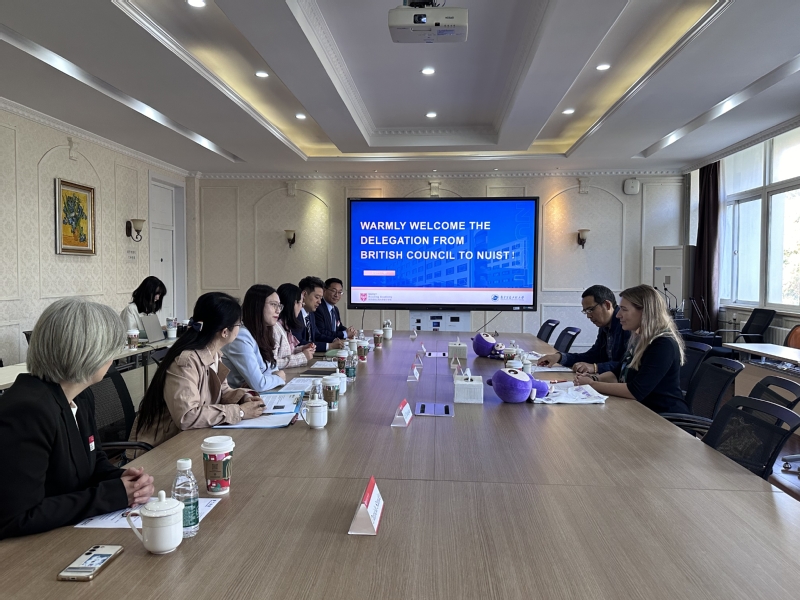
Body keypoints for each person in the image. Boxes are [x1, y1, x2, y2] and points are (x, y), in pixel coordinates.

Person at [0, 298, 154, 539]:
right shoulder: (27, 411)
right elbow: (17, 517)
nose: (113, 358)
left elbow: (92, 461)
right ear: (89, 354)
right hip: (33, 549)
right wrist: (111, 495)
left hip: (69, 534)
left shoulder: (81, 396)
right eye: (110, 350)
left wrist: (121, 479)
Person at [128, 292, 265, 456]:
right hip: (159, 449)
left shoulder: (213, 353)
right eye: (239, 324)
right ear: (224, 332)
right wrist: (240, 412)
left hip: (189, 439)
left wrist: (244, 398)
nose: (240, 328)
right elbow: (187, 416)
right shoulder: (187, 362)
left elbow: (222, 391)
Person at [575, 284, 688, 415]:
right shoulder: (639, 339)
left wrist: (592, 384)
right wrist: (595, 379)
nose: (618, 315)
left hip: (665, 417)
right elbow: (618, 372)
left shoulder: (663, 344)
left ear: (644, 311)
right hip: (640, 411)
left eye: (624, 309)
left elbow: (635, 391)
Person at [537, 285, 630, 374]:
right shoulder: (604, 327)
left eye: (591, 310)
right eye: (586, 311)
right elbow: (593, 356)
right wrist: (559, 357)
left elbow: (628, 366)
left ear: (607, 305)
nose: (588, 316)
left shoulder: (627, 326)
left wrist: (595, 368)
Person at [221, 285, 286, 393]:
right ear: (257, 306)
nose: (278, 310)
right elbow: (259, 384)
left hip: (256, 394)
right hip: (236, 398)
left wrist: (267, 378)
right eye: (273, 304)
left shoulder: (263, 332)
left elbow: (272, 370)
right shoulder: (240, 336)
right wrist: (279, 377)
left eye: (279, 306)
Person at [294, 276, 345, 352]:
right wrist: (329, 346)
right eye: (317, 297)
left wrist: (334, 340)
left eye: (321, 298)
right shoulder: (295, 315)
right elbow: (298, 343)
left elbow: (317, 335)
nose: (320, 302)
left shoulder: (310, 314)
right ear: (304, 295)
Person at [276, 283, 315, 368]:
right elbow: (272, 363)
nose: (301, 307)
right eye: (301, 303)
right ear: (293, 303)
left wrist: (301, 349)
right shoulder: (274, 328)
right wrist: (302, 357)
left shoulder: (284, 325)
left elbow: (285, 353)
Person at [315, 277, 356, 343]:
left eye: (340, 292)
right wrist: (344, 334)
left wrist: (349, 331)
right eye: (333, 291)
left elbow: (339, 327)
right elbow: (321, 332)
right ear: (324, 290)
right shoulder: (318, 307)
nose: (336, 295)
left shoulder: (335, 309)